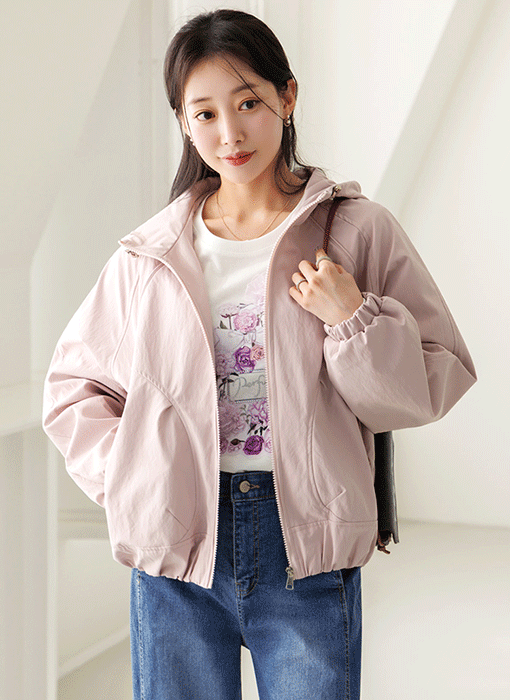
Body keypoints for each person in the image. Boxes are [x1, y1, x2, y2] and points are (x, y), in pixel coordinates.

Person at [42, 8, 477, 700]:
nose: (230, 132)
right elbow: (73, 389)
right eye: (205, 113)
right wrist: (136, 478)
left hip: (305, 546)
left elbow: (436, 373)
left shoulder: (356, 231)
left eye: (247, 102)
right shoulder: (152, 255)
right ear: (184, 123)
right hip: (176, 552)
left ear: (287, 96)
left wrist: (352, 318)